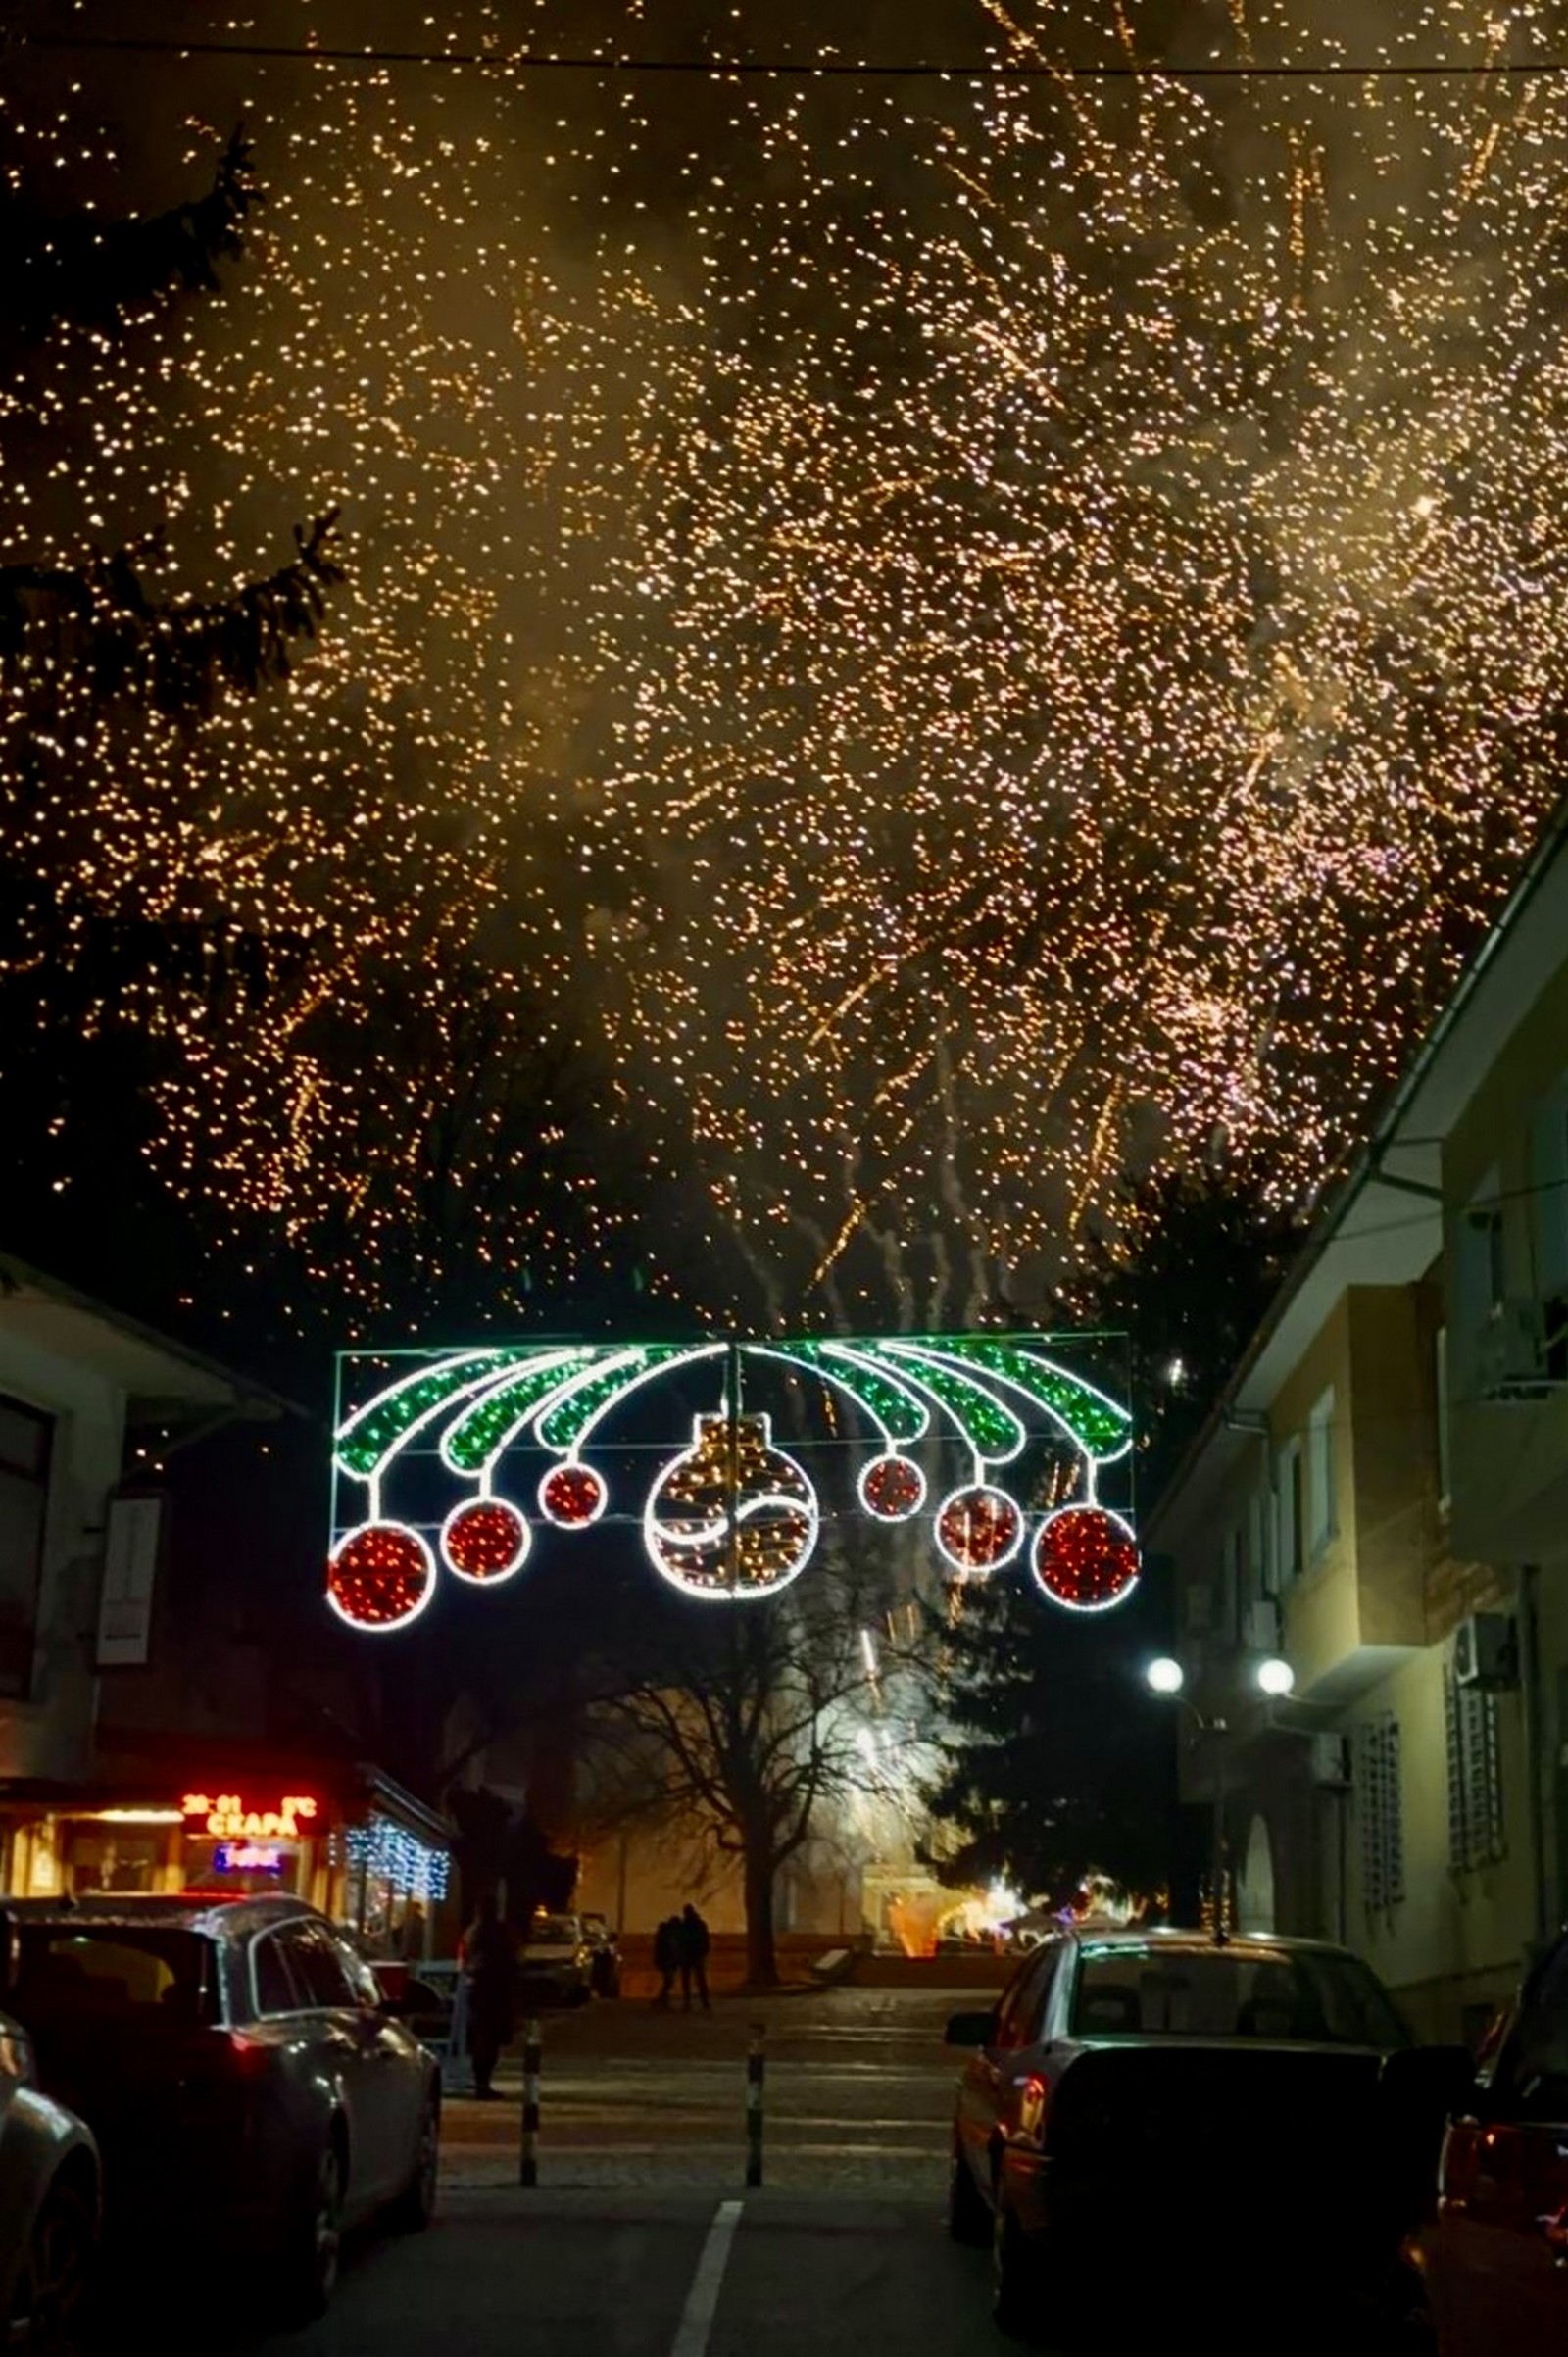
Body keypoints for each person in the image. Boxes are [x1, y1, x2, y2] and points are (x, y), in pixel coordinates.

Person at [459, 1893, 514, 2100]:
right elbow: (510, 1956)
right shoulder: (498, 1931)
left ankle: (480, 2081)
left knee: (482, 2036)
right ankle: (483, 2083)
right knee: (489, 2038)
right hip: (494, 1988)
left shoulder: (472, 1931)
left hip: (476, 1987)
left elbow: (463, 1959)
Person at [679, 1901, 711, 2013]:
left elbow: (681, 1940)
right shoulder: (699, 1924)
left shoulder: (684, 1925)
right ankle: (704, 2001)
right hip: (696, 1954)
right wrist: (704, 1951)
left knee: (688, 1979)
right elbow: (705, 1939)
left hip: (689, 1955)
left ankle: (688, 2001)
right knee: (700, 1979)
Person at [652, 1914, 680, 2009]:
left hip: (664, 1961)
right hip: (667, 1962)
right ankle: (661, 2000)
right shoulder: (669, 1935)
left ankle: (662, 2000)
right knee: (669, 1981)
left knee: (668, 1982)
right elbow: (671, 1948)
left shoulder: (664, 1933)